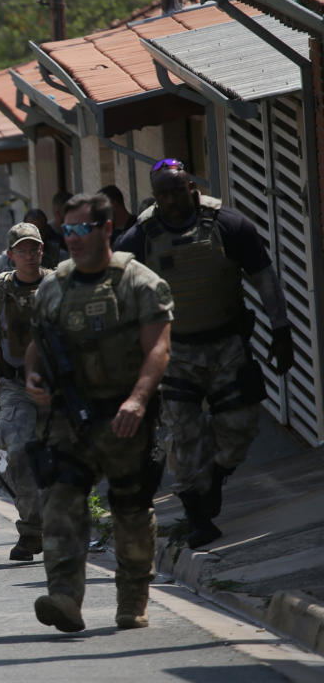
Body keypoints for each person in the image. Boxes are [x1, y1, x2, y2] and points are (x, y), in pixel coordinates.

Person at [115, 159, 293, 548]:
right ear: (155, 196)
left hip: (227, 345)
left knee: (241, 427)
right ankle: (197, 514)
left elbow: (265, 278)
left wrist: (282, 330)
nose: (171, 200)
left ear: (191, 188)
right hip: (174, 352)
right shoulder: (141, 237)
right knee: (185, 434)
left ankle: (214, 475)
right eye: (162, 194)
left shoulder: (228, 225)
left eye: (177, 191)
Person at [24, 192, 172, 632]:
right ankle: (65, 598)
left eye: (81, 229)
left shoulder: (139, 283)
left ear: (106, 229)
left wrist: (138, 400)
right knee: (61, 503)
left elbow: (159, 349)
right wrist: (34, 379)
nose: (71, 239)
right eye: (66, 230)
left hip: (124, 418)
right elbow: (36, 347)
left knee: (130, 507)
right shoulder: (54, 286)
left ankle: (132, 600)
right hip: (69, 418)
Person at [0, 222, 50, 562]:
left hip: (60, 385)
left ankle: (61, 525)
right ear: (10, 255)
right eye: (23, 250)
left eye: (35, 249)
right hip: (15, 385)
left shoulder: (58, 286)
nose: (30, 255)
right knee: (13, 451)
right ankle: (32, 528)